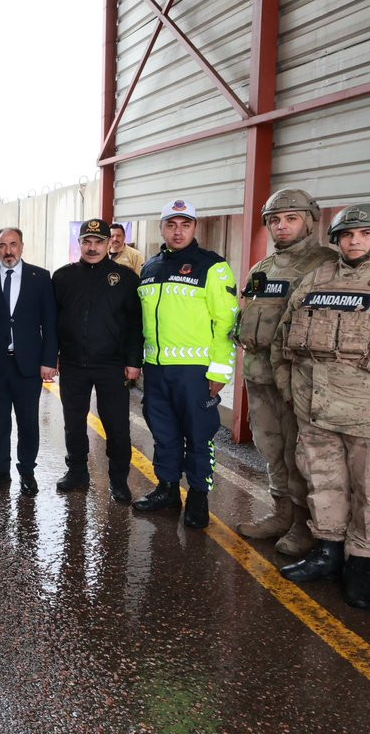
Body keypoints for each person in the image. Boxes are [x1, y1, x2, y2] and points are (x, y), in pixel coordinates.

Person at [273, 203, 370, 610]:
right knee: (323, 484)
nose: (354, 241)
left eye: (366, 233)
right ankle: (327, 553)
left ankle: (361, 566)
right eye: (347, 235)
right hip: (316, 410)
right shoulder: (316, 278)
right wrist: (290, 390)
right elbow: (285, 338)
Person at [234, 189, 336, 555]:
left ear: (309, 221)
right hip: (259, 375)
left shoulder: (327, 265)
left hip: (299, 380)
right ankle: (281, 514)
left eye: (291, 218)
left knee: (299, 455)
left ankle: (304, 525)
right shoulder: (263, 268)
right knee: (271, 449)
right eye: (275, 220)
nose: (282, 226)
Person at [133, 200, 238, 528]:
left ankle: (198, 495)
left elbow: (227, 323)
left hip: (195, 372)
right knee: (163, 432)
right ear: (162, 228)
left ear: (195, 227)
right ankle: (167, 488)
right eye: (171, 225)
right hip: (156, 368)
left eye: (185, 224)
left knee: (198, 434)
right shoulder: (150, 267)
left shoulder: (213, 267)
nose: (178, 232)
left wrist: (221, 370)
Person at [51, 219, 143, 503]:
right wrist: (52, 357)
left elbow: (134, 324)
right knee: (73, 423)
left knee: (117, 426)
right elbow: (52, 322)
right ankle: (77, 472)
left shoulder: (125, 278)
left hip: (111, 365)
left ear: (109, 243)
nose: (92, 248)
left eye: (98, 242)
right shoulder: (63, 277)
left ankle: (119, 481)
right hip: (72, 364)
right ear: (79, 243)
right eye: (87, 242)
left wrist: (133, 361)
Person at [0, 227, 58, 495]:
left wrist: (49, 360)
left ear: (22, 246)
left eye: (13, 244)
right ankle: (1, 471)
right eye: (2, 245)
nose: (8, 251)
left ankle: (27, 472)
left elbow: (50, 323)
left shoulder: (40, 277)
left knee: (28, 422)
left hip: (28, 365)